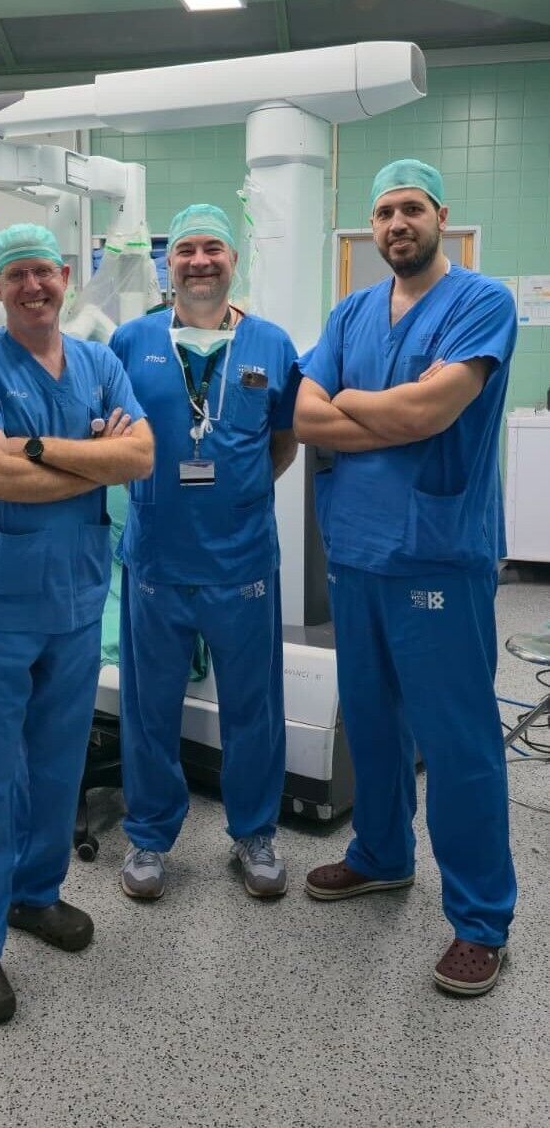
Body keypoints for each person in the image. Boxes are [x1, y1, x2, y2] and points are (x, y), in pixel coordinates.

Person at [294, 159, 517, 997]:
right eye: (384, 211)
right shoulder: (350, 311)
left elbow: (432, 410)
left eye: (411, 208)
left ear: (440, 217)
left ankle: (481, 919)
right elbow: (303, 414)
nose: (397, 223)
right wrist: (388, 411)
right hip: (356, 552)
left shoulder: (482, 303)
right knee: (372, 722)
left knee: (456, 741)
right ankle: (382, 853)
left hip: (436, 551)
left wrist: (352, 404)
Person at [0, 223, 154, 1024]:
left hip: (75, 598)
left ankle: (33, 892)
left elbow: (140, 457)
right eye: (16, 274)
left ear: (66, 276)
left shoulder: (100, 363)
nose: (33, 286)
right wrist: (88, 459)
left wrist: (36, 450)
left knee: (58, 765)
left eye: (44, 272)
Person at [109, 203, 300, 900]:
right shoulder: (131, 341)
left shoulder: (270, 345)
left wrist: (237, 494)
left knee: (255, 706)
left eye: (212, 249)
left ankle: (255, 832)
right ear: (169, 262)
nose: (199, 261)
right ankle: (149, 836)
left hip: (241, 561)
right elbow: (111, 437)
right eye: (186, 249)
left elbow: (284, 442)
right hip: (158, 559)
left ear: (232, 260)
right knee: (149, 708)